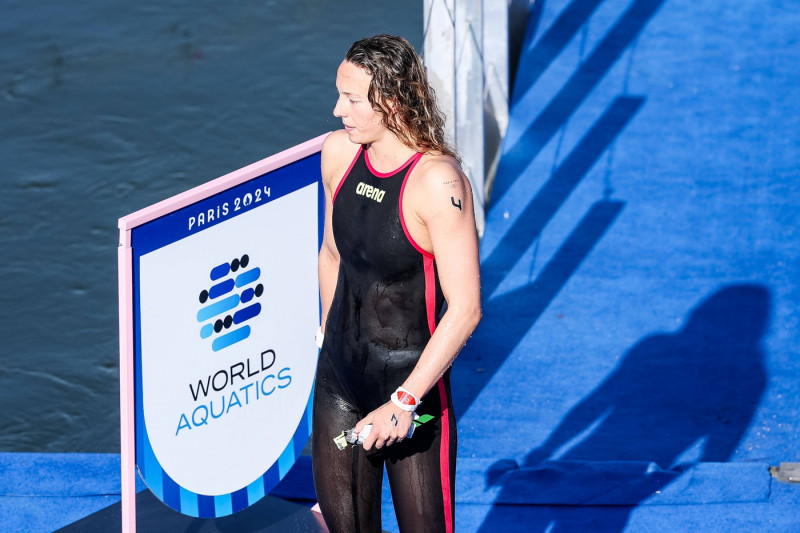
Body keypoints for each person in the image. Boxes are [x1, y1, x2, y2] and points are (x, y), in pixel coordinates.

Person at [312, 34, 481, 533]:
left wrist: (405, 401)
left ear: (388, 101)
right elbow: (331, 255)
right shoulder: (338, 154)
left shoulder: (438, 183)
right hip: (340, 383)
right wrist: (328, 339)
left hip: (414, 394)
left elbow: (466, 306)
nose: (337, 108)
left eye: (350, 99)